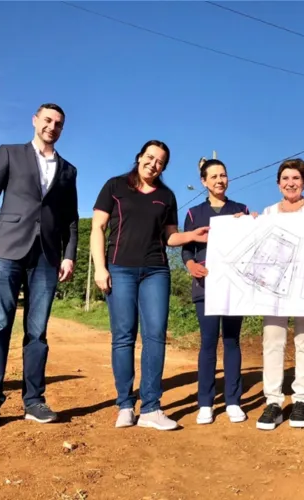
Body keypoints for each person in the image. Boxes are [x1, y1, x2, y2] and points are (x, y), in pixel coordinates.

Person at [0, 103, 80, 429]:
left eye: (58, 123)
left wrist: (69, 254)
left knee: (37, 332)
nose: (52, 126)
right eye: (47, 120)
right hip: (8, 250)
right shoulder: (9, 153)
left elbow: (71, 218)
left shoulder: (68, 170)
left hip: (46, 256)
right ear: (35, 121)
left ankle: (34, 401)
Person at [90, 140, 209, 431]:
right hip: (119, 269)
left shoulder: (166, 196)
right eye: (150, 157)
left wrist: (192, 236)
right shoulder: (115, 187)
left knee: (155, 336)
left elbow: (170, 237)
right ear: (139, 157)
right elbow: (98, 228)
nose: (153, 164)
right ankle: (125, 405)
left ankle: (152, 408)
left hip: (156, 270)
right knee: (123, 336)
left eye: (160, 162)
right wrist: (100, 268)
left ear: (164, 167)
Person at [238, 158, 304, 430]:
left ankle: (301, 400)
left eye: (296, 179)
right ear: (278, 184)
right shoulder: (268, 213)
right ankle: (273, 402)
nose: (291, 183)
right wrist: (246, 224)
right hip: (273, 289)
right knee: (273, 342)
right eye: (285, 179)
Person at [181, 159, 250, 425]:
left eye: (223, 175)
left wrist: (251, 221)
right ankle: (206, 403)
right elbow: (187, 247)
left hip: (235, 287)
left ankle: (233, 401)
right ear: (204, 181)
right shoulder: (193, 213)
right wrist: (190, 266)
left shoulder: (240, 210)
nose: (219, 180)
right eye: (213, 176)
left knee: (232, 341)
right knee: (208, 344)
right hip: (206, 287)